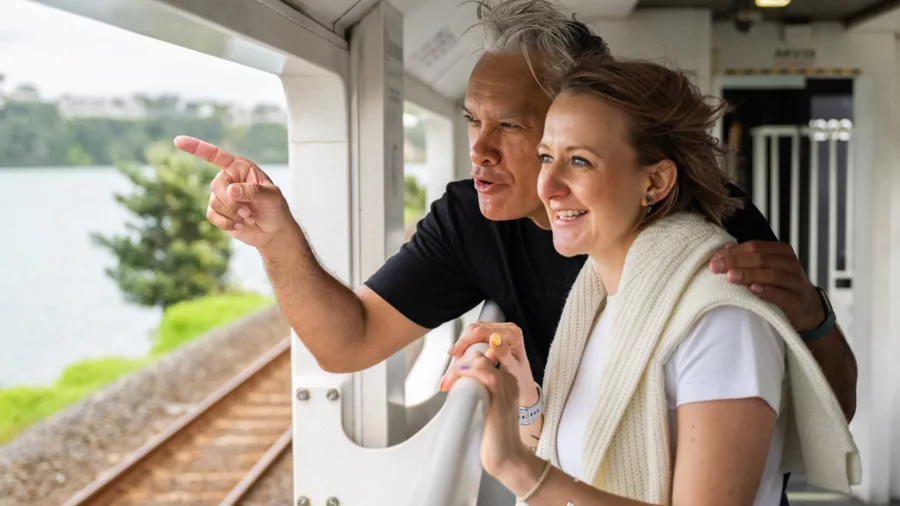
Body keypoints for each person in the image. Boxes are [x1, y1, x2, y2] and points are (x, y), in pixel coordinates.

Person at [174, 0, 855, 445]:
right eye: (472, 120)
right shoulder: (473, 212)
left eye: (509, 126)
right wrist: (277, 239)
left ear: (572, 125)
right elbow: (346, 344)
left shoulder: (709, 229)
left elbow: (834, 410)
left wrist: (813, 319)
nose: (479, 150)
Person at [441, 54, 859, 506]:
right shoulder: (598, 302)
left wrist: (515, 468)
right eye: (547, 157)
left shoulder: (720, 321)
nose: (548, 186)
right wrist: (523, 394)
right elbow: (574, 472)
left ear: (656, 182)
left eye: (579, 161)